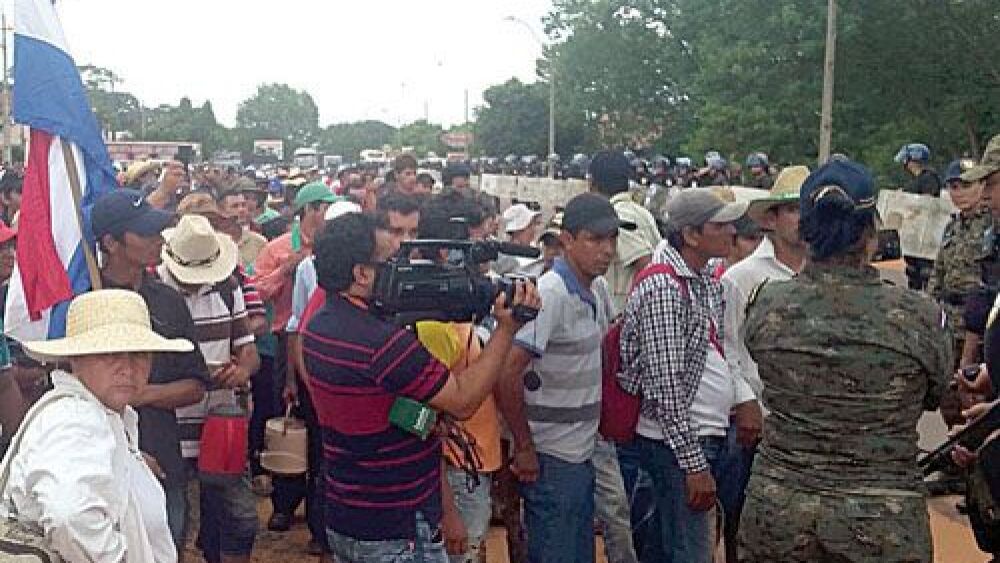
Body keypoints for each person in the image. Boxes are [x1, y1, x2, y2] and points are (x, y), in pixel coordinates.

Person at [738, 159, 952, 562]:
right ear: (870, 232)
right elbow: (935, 396)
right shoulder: (918, 317)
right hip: (881, 520)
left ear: (805, 229)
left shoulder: (766, 304)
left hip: (780, 515)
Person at [304, 212, 539, 562]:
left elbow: (381, 409)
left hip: (346, 515)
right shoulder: (383, 344)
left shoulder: (319, 328)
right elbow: (461, 401)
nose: (401, 268)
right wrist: (507, 329)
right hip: (398, 527)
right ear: (362, 274)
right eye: (390, 260)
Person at [2, 289, 193, 563]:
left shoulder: (105, 416)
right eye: (109, 353)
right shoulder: (76, 418)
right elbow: (70, 515)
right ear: (76, 360)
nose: (127, 367)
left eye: (139, 354)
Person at [497, 193, 635, 563]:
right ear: (567, 241)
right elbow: (507, 372)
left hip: (581, 451)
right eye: (595, 239)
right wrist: (524, 446)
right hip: (551, 455)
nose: (606, 250)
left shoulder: (597, 289)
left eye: (611, 239)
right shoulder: (551, 295)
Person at [618, 188, 749, 563]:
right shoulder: (663, 287)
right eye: (719, 225)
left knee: (668, 545)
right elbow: (665, 387)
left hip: (692, 437)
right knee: (689, 551)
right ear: (691, 235)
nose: (731, 233)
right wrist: (693, 464)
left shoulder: (699, 278)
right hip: (678, 444)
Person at [92, 189, 211, 551]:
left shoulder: (167, 300)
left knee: (166, 546)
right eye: (145, 233)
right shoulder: (83, 302)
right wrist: (125, 454)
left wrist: (142, 395)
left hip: (163, 458)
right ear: (111, 242)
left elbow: (196, 383)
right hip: (100, 464)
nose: (158, 241)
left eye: (158, 231)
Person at [719, 165, 809, 563]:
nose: (803, 219)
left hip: (809, 427)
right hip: (757, 425)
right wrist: (745, 403)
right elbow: (728, 348)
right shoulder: (741, 278)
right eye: (793, 209)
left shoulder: (826, 275)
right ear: (772, 218)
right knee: (747, 527)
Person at [158, 214, 260, 563]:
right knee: (174, 524)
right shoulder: (153, 292)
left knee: (240, 519)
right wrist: (198, 374)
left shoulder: (227, 287)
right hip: (171, 426)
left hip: (221, 422)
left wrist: (242, 369)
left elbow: (248, 349)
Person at [590, 150, 663, 316]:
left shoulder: (616, 215)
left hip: (624, 315)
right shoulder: (641, 212)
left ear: (592, 183)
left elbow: (646, 265)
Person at [219, 183, 268, 269]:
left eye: (243, 205)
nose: (241, 210)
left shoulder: (259, 242)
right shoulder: (214, 242)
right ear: (221, 211)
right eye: (235, 206)